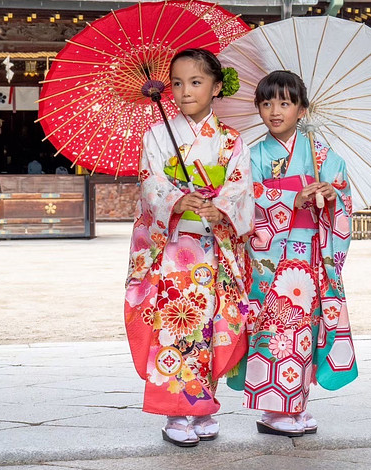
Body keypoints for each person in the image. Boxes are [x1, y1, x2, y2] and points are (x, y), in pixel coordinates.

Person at [125, 49, 254, 447]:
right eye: (177, 83)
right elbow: (150, 183)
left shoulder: (232, 140)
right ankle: (177, 411)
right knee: (177, 324)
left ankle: (203, 402)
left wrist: (220, 210)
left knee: (212, 323)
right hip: (172, 251)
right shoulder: (157, 135)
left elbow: (240, 189)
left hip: (212, 246)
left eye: (196, 82)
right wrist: (177, 201)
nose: (184, 92)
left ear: (217, 87)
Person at [226, 70, 358, 436]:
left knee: (304, 330)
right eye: (266, 103)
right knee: (275, 329)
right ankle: (273, 410)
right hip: (270, 258)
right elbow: (242, 199)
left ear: (302, 109)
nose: (275, 111)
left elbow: (343, 193)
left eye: (285, 103)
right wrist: (288, 197)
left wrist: (331, 196)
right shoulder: (252, 156)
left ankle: (295, 404)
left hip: (310, 252)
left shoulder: (321, 153)